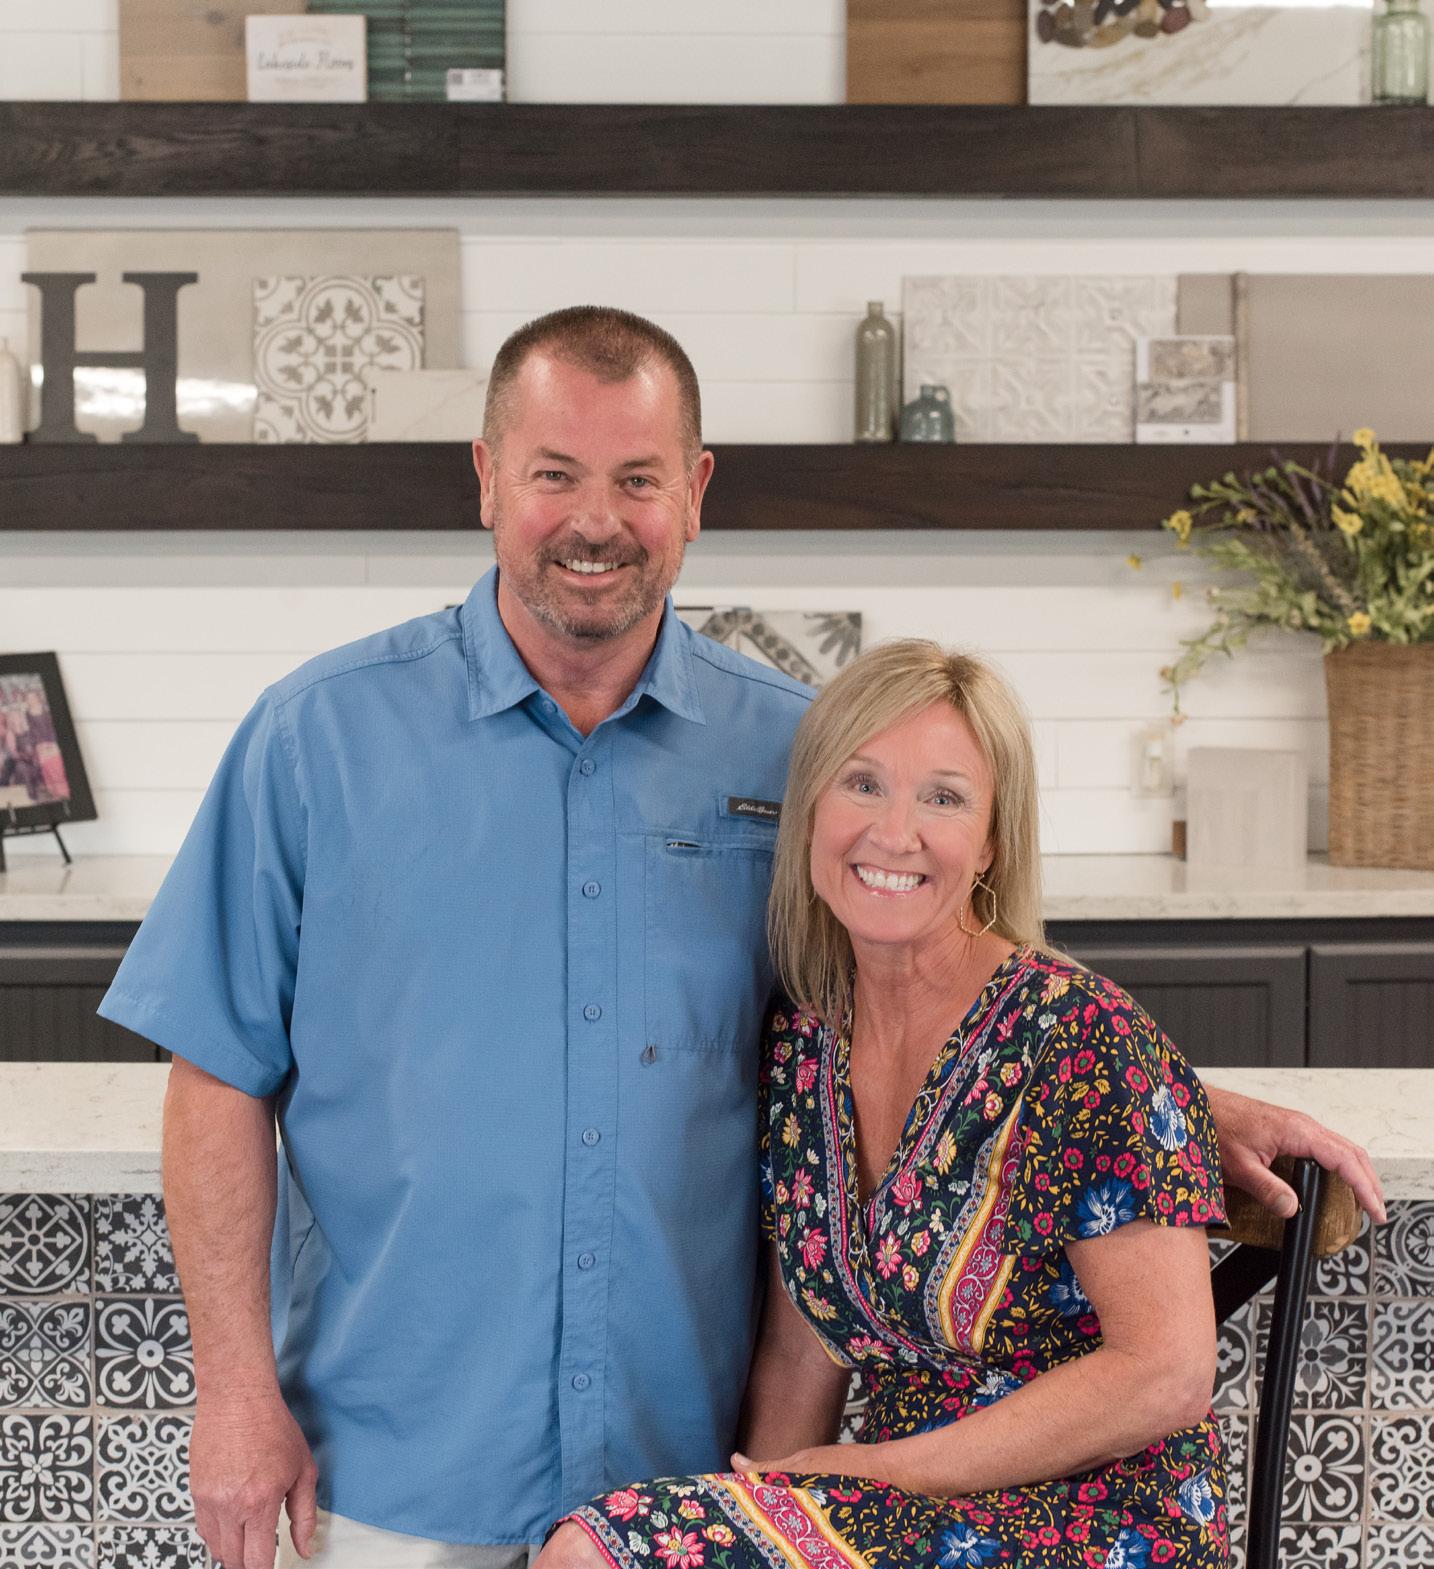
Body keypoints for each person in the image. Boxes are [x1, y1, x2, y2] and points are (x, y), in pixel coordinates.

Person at [96, 306, 1385, 1569]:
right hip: (390, 1455)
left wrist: (1169, 1108)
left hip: (673, 1460)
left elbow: (934, 992)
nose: (596, 519)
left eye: (638, 479)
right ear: (486, 476)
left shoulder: (802, 755)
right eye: (554, 472)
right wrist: (234, 1393)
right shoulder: (315, 739)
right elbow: (215, 1074)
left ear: (696, 492)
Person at [542, 641, 1230, 1569]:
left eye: (943, 797)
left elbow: (1167, 1373)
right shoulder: (805, 1045)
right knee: (601, 1547)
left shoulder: (1079, 1034)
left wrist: (876, 1471)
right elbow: (801, 1356)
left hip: (1099, 1519)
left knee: (593, 1553)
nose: (895, 832)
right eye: (862, 784)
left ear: (991, 840)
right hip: (892, 1516)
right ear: (810, 811)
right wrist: (763, 1506)